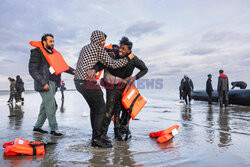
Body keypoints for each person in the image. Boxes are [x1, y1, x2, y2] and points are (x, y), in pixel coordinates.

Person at [74, 30, 129, 148]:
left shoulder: (85, 47)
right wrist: (126, 59)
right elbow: (112, 63)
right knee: (101, 108)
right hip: (86, 81)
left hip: (78, 81)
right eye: (103, 39)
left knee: (94, 108)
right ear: (98, 39)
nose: (104, 42)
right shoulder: (98, 48)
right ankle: (97, 139)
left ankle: (96, 136)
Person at [94, 37, 148, 141]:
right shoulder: (114, 53)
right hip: (111, 85)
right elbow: (102, 59)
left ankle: (118, 131)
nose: (120, 50)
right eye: (120, 48)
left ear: (129, 50)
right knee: (109, 110)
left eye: (123, 49)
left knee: (120, 109)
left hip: (124, 87)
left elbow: (145, 69)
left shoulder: (134, 59)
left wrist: (135, 77)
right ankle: (102, 134)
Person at [29, 33, 75, 137]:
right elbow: (32, 70)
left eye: (53, 41)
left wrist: (74, 71)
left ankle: (37, 127)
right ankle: (54, 129)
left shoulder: (54, 53)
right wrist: (43, 82)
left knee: (45, 106)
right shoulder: (37, 52)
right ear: (44, 42)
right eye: (50, 41)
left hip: (54, 83)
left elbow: (63, 66)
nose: (52, 43)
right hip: (45, 83)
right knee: (52, 106)